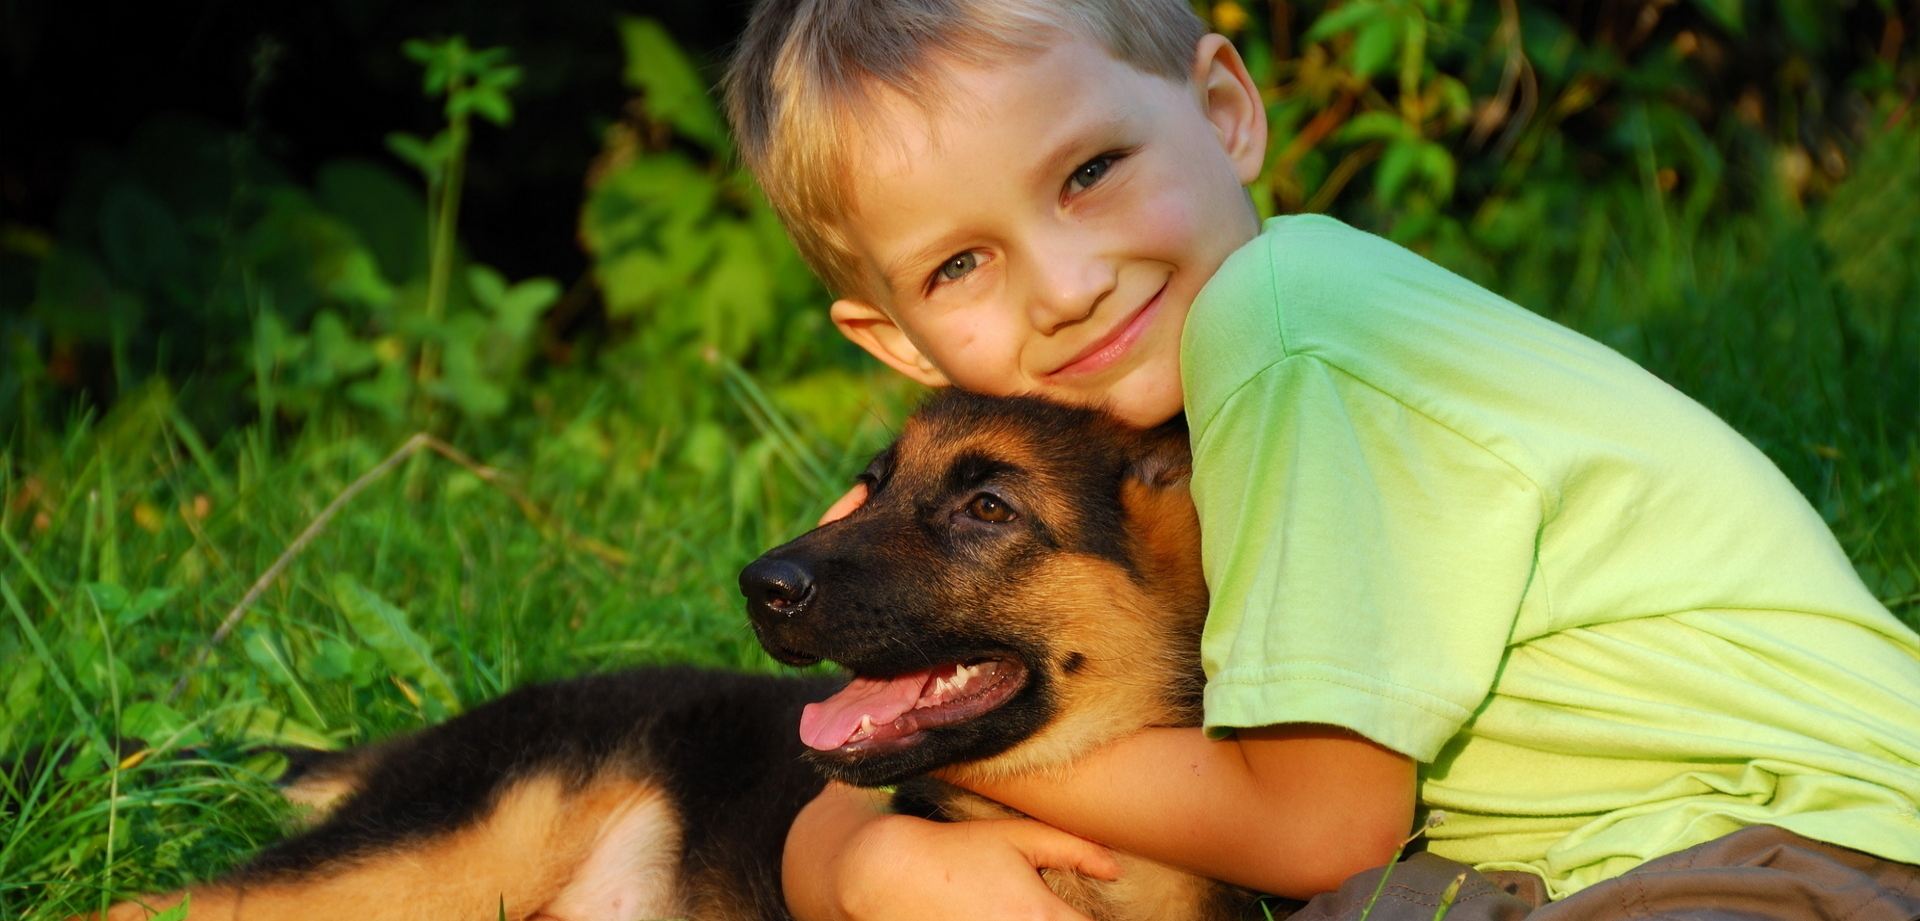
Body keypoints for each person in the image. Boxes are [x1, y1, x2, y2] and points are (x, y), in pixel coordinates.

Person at [720, 2, 1920, 919]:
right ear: (897, 340)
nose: (1068, 286)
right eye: (959, 266)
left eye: (1091, 173)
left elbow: (1314, 829)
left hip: (1799, 841)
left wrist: (916, 737)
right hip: (1602, 855)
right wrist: (874, 828)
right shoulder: (1153, 440)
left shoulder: (1283, 330)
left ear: (1227, 112)